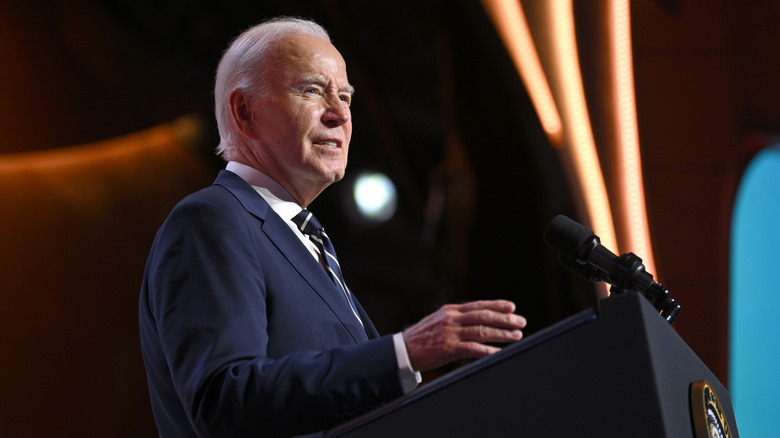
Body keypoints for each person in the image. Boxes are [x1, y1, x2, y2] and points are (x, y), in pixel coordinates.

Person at [138, 16, 527, 438]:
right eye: (312, 90)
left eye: (345, 96)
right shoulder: (212, 221)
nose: (340, 113)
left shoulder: (309, 239)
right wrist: (403, 352)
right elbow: (226, 401)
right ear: (245, 112)